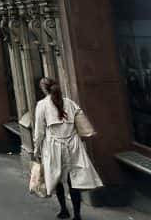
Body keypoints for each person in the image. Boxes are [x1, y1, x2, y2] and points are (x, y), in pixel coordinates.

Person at [33, 77, 102, 219]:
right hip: (73, 144)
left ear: (44, 89)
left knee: (57, 178)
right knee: (74, 180)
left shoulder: (42, 105)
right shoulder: (69, 103)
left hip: (53, 145)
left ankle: (64, 210)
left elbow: (39, 131)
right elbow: (81, 122)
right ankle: (77, 214)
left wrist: (36, 149)